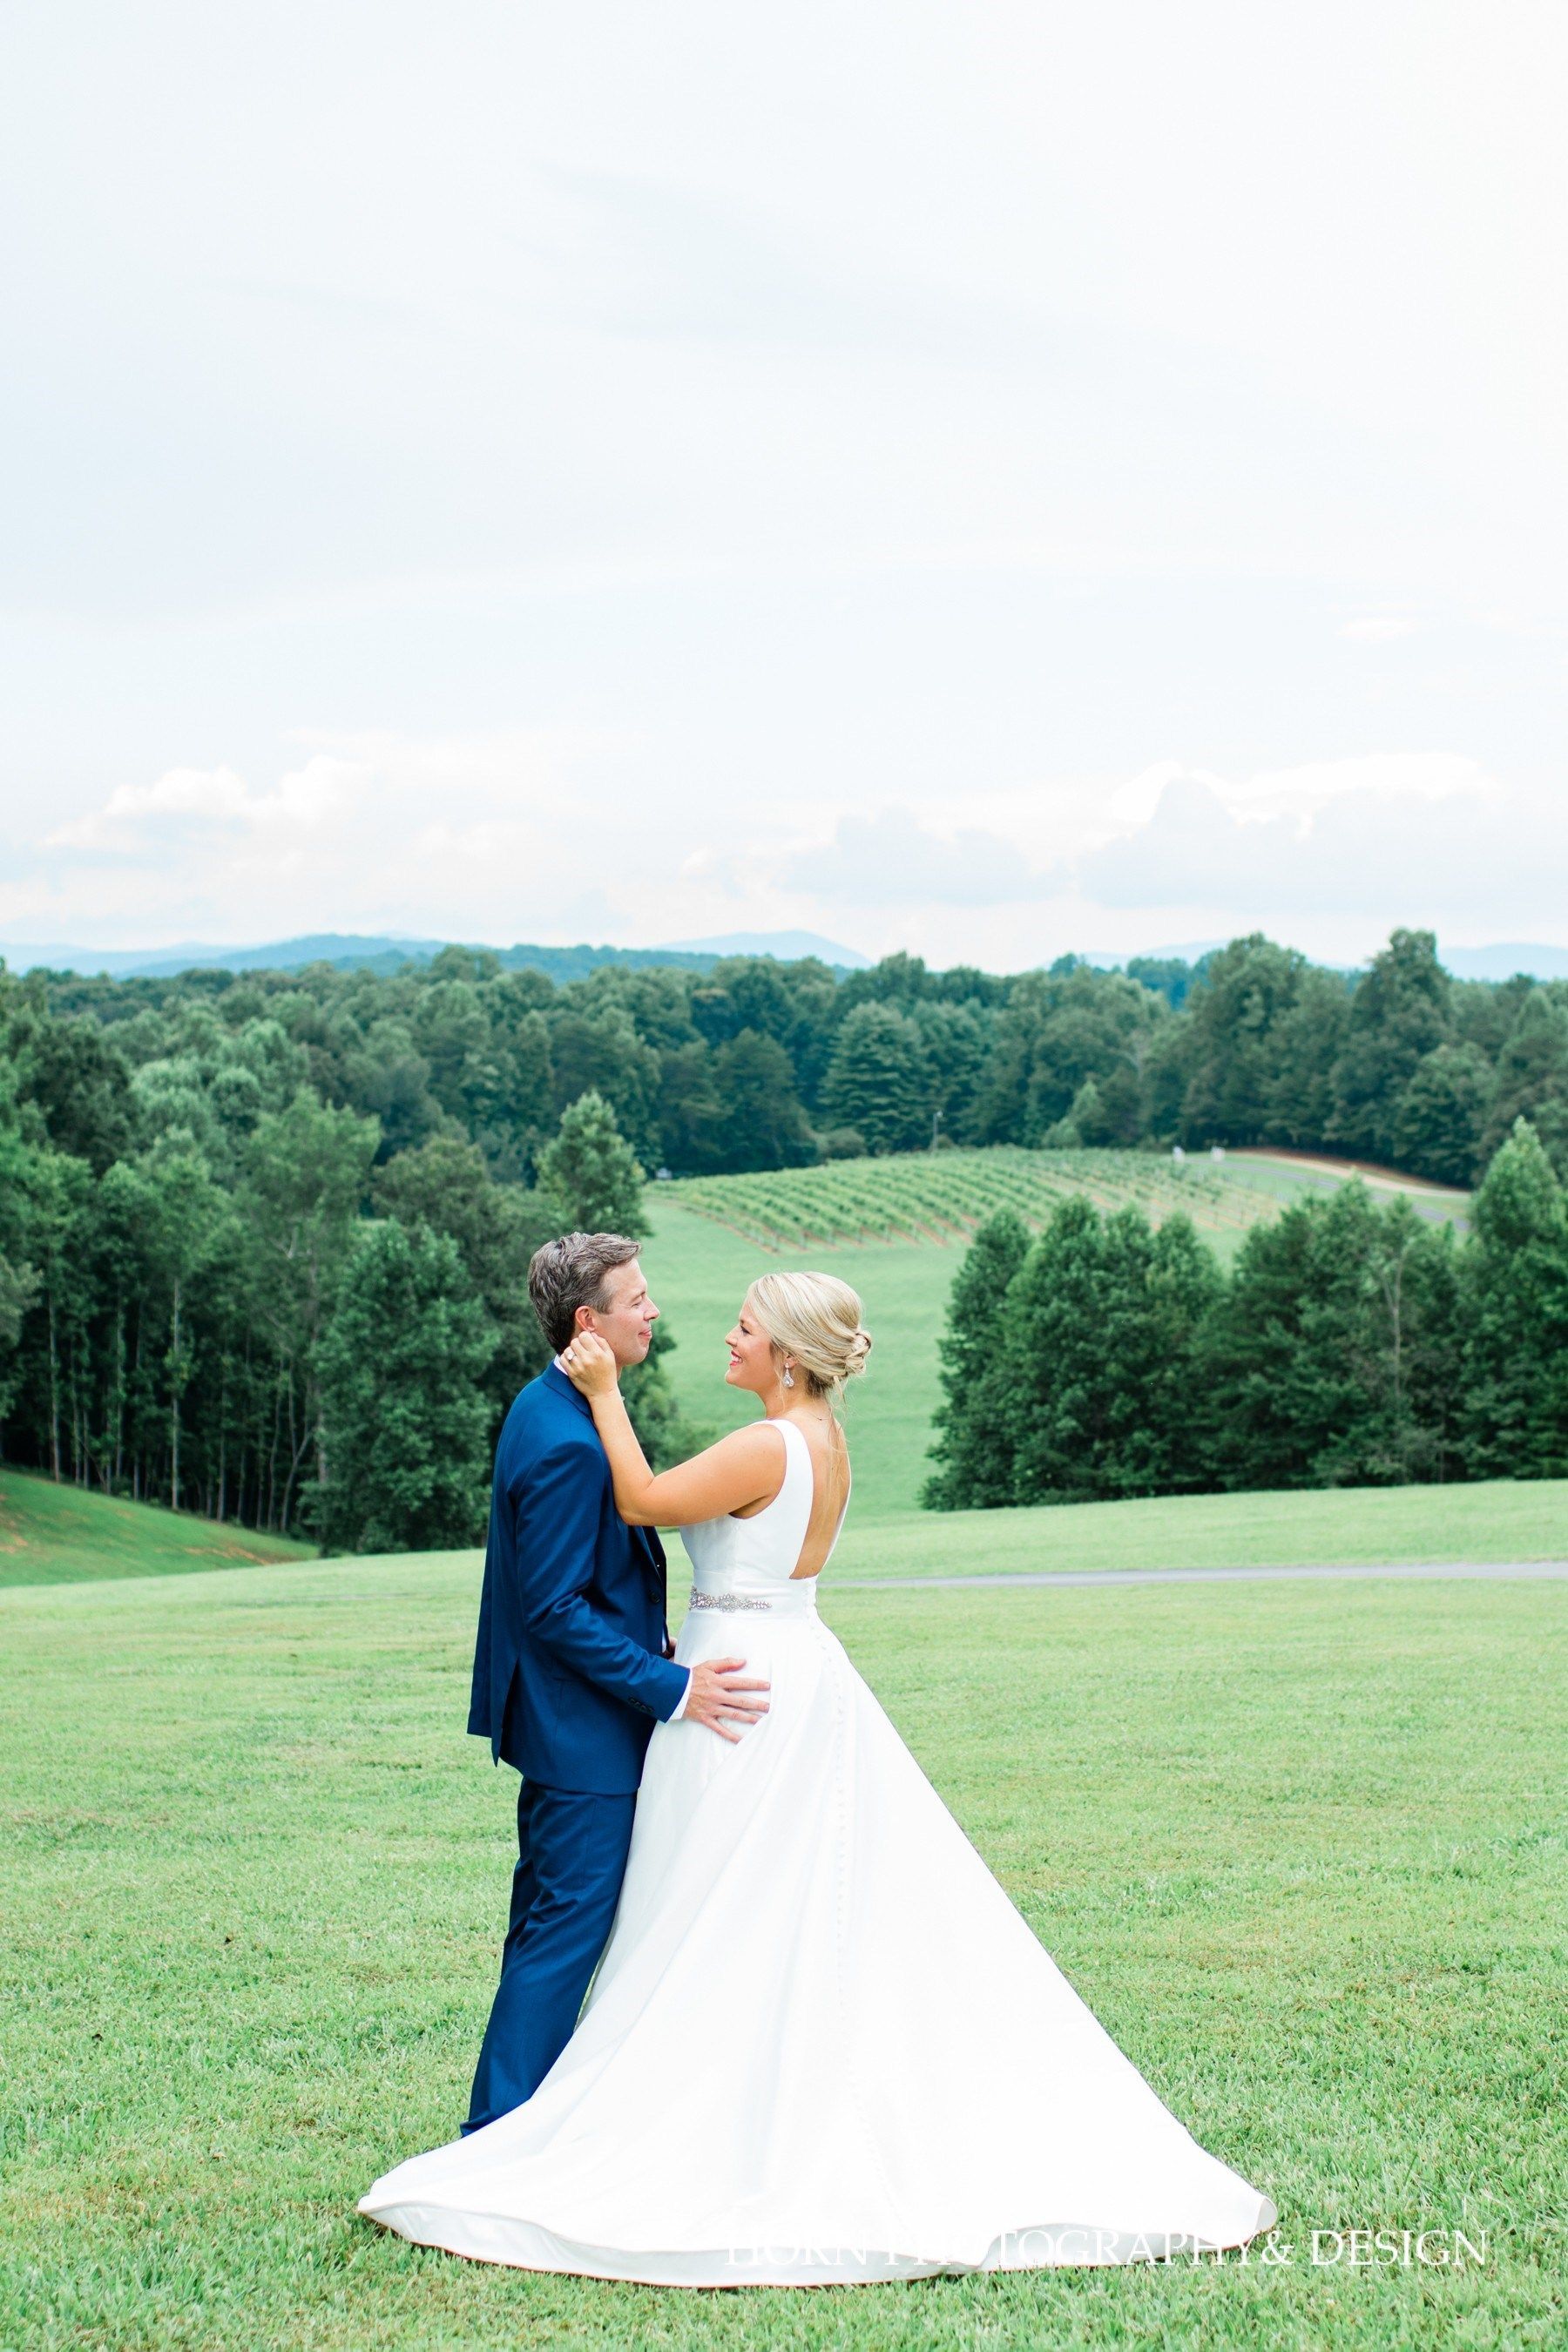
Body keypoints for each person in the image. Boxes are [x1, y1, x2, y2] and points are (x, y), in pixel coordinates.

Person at [361, 1267, 1277, 2283]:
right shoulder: (826, 1442)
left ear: (788, 1356)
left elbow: (645, 1499)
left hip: (738, 1694)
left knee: (716, 1906)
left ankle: (671, 2115)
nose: (725, 1339)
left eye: (745, 1329)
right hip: (792, 1675)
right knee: (767, 1903)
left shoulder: (767, 1443)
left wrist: (608, 1399)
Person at [457, 1231, 769, 2134]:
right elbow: (554, 1609)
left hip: (573, 1725)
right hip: (581, 1736)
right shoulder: (566, 1442)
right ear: (588, 1320)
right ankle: (497, 2135)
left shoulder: (552, 1404)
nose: (654, 1310)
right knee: (563, 1937)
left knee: (550, 1928)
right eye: (636, 1299)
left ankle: (519, 2121)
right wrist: (672, 1687)